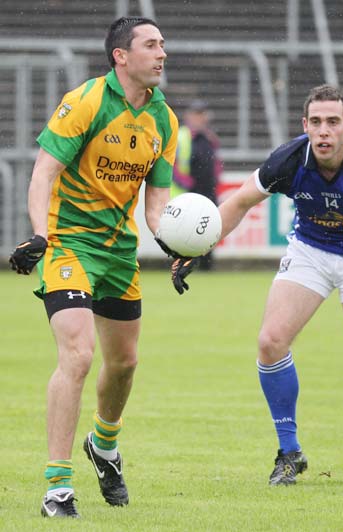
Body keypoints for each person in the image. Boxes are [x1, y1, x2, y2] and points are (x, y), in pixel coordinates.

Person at [174, 84, 343, 485]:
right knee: (270, 341)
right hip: (310, 251)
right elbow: (241, 201)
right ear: (305, 125)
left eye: (333, 122)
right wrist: (199, 246)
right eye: (315, 122)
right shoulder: (288, 159)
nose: (324, 131)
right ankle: (288, 452)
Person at [9, 16, 179, 518]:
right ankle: (57, 488)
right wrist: (40, 234)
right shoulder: (85, 101)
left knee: (124, 365)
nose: (162, 53)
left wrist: (176, 245)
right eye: (151, 45)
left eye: (163, 45)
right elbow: (44, 173)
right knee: (78, 356)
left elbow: (156, 208)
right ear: (120, 57)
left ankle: (104, 445)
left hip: (118, 252)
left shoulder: (163, 120)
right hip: (68, 245)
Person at [171, 99, 222, 270]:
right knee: (182, 234)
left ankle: (206, 266)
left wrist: (214, 183)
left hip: (207, 192)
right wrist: (190, 185)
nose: (200, 118)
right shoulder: (180, 136)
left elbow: (216, 164)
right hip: (186, 194)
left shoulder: (210, 137)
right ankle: (179, 266)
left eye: (202, 114)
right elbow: (172, 166)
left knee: (207, 231)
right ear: (189, 116)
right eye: (197, 114)